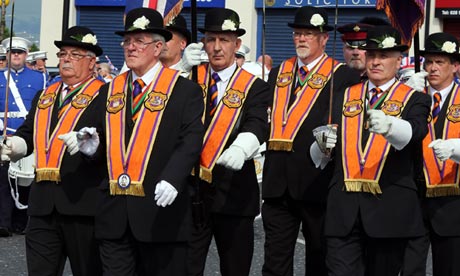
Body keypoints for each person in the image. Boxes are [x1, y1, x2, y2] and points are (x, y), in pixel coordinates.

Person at [74, 8, 204, 276]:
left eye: (139, 41)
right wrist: (92, 149)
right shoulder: (110, 89)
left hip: (160, 213)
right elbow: (99, 137)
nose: (131, 47)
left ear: (158, 47)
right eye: (127, 41)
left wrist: (173, 177)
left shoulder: (184, 90)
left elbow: (191, 140)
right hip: (115, 215)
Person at [311, 25, 431, 276]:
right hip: (343, 209)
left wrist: (391, 126)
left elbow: (416, 133)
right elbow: (322, 152)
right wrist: (321, 144)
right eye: (371, 55)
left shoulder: (415, 98)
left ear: (399, 61)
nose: (376, 61)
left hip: (389, 208)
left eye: (384, 56)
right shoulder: (344, 95)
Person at [261, 6, 360, 276]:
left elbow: (353, 120)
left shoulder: (343, 75)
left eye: (309, 34)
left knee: (319, 258)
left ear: (324, 39)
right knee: (274, 261)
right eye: (297, 34)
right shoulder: (279, 72)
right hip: (277, 183)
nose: (301, 39)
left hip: (318, 181)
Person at [0, 26, 105, 275]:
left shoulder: (105, 95)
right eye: (63, 54)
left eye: (75, 54)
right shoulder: (45, 95)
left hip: (83, 202)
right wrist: (15, 146)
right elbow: (29, 133)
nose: (66, 59)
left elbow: (112, 143)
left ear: (92, 62)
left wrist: (92, 147)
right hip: (42, 204)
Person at [186, 8, 270, 276]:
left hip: (233, 192)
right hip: (191, 192)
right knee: (185, 268)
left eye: (225, 40)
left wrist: (241, 146)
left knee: (235, 269)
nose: (217, 48)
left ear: (237, 45)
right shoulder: (190, 79)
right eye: (211, 40)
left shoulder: (254, 86)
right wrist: (178, 67)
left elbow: (258, 122)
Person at [418, 32, 460, 276]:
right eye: (429, 62)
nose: (432, 68)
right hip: (414, 199)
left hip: (452, 203)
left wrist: (455, 148)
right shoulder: (413, 97)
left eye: (440, 62)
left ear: (455, 66)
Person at [0, 37, 45, 237]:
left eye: (20, 52)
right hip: (2, 132)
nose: (16, 55)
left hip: (27, 135)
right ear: (7, 55)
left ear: (26, 55)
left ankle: (23, 222)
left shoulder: (39, 78)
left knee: (26, 181)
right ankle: (4, 222)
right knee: (3, 180)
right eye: (12, 52)